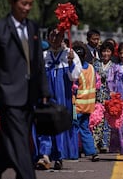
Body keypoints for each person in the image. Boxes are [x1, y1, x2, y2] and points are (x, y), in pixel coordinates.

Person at [0, 0, 50, 179]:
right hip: (8, 95)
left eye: (30, 4)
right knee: (20, 142)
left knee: (15, 142)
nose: (27, 8)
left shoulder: (33, 28)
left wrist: (44, 91)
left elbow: (38, 63)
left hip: (31, 94)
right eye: (23, 4)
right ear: (12, 2)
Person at [34, 28, 81, 170]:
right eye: (52, 35)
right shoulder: (43, 55)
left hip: (62, 95)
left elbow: (74, 77)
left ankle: (59, 155)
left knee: (58, 123)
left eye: (58, 35)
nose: (55, 38)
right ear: (48, 38)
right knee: (44, 122)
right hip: (46, 94)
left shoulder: (69, 54)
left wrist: (71, 63)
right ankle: (45, 155)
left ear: (63, 37)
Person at [72, 42, 99, 162]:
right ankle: (92, 152)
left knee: (75, 129)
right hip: (89, 105)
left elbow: (73, 88)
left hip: (78, 105)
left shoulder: (77, 70)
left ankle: (74, 151)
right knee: (85, 129)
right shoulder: (92, 68)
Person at [92, 41, 115, 153]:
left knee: (107, 121)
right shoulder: (96, 64)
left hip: (109, 96)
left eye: (108, 51)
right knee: (97, 119)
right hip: (97, 96)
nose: (106, 53)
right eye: (104, 51)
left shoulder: (114, 67)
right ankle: (96, 142)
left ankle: (105, 144)